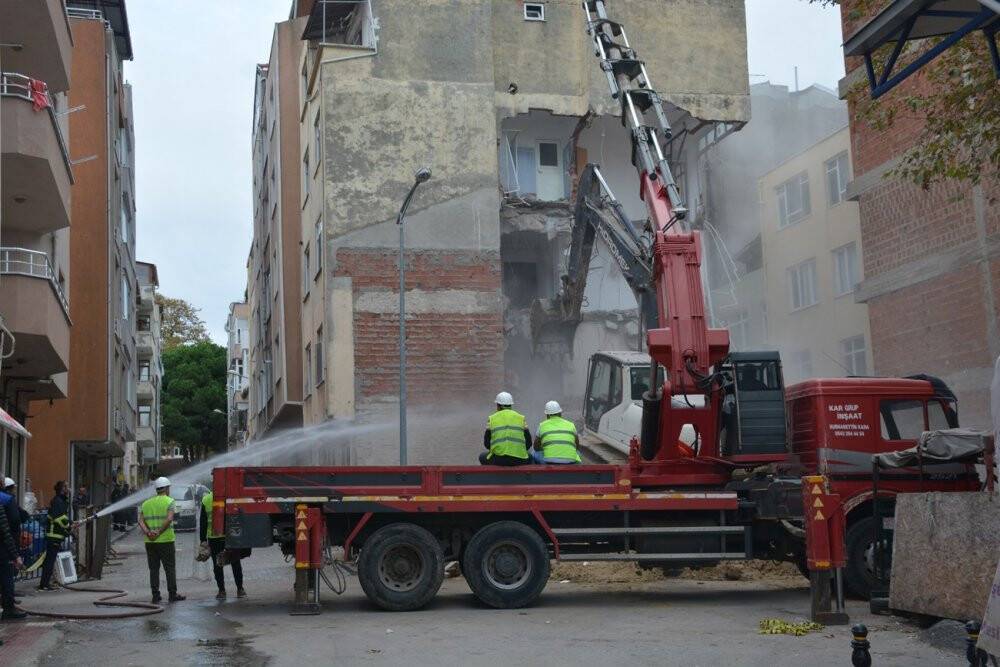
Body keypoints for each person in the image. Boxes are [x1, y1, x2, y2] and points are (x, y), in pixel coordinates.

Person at [138, 477, 184, 603]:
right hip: (166, 541)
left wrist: (148, 532)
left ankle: (155, 595)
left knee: (153, 569)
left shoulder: (146, 503)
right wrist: (158, 532)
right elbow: (169, 519)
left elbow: (140, 520)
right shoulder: (170, 501)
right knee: (169, 568)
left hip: (150, 542)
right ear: (167, 488)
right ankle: (172, 594)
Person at [200, 490, 245, 599]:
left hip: (214, 537)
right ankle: (240, 590)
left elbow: (203, 521)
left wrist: (203, 539)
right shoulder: (229, 497)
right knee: (235, 563)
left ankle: (221, 591)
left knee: (217, 565)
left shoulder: (206, 499)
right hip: (229, 537)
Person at [479, 392, 532, 466]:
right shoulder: (521, 418)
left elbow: (487, 444)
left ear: (498, 406)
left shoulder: (492, 418)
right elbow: (529, 443)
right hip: (519, 460)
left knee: (482, 457)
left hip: (498, 460)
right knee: (530, 456)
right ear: (511, 405)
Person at [38, 480, 71, 591]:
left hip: (56, 535)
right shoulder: (58, 501)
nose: (69, 489)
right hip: (54, 536)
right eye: (66, 487)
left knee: (50, 560)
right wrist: (69, 526)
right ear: (62, 489)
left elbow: (61, 516)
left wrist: (69, 524)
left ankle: (46, 583)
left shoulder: (60, 500)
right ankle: (44, 584)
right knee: (49, 561)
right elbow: (59, 518)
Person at [0, 484, 26, 620]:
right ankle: (9, 608)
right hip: (3, 548)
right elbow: (7, 528)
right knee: (7, 577)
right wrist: (15, 555)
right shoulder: (6, 499)